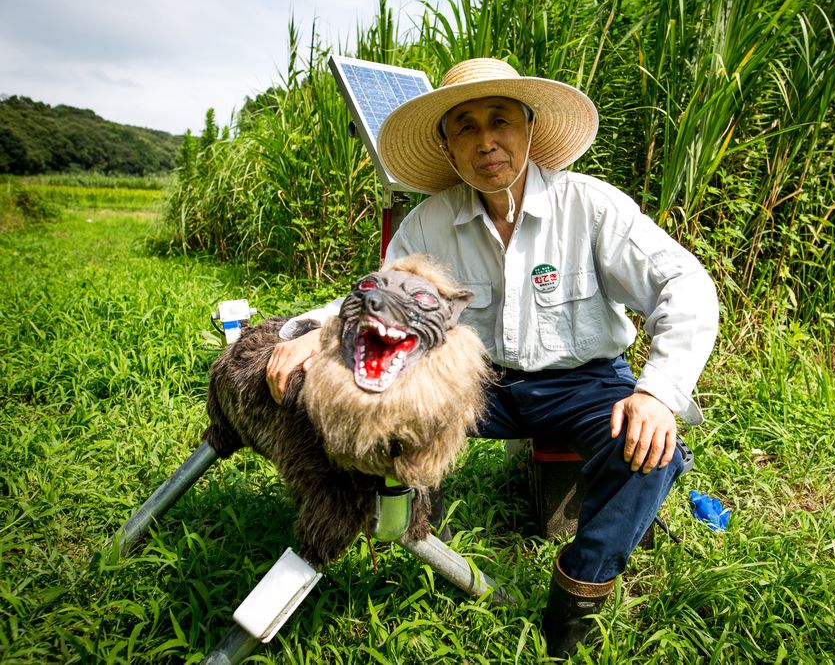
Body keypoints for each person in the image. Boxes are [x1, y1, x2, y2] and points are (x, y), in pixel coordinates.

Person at [266, 58, 719, 658]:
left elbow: (684, 284)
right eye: (466, 127)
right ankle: (418, 537)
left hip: (585, 381)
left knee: (650, 454)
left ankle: (573, 604)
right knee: (374, 412)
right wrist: (311, 332)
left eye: (500, 120)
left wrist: (658, 393)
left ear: (529, 130)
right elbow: (383, 300)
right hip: (481, 386)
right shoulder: (430, 222)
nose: (486, 142)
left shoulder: (591, 206)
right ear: (449, 149)